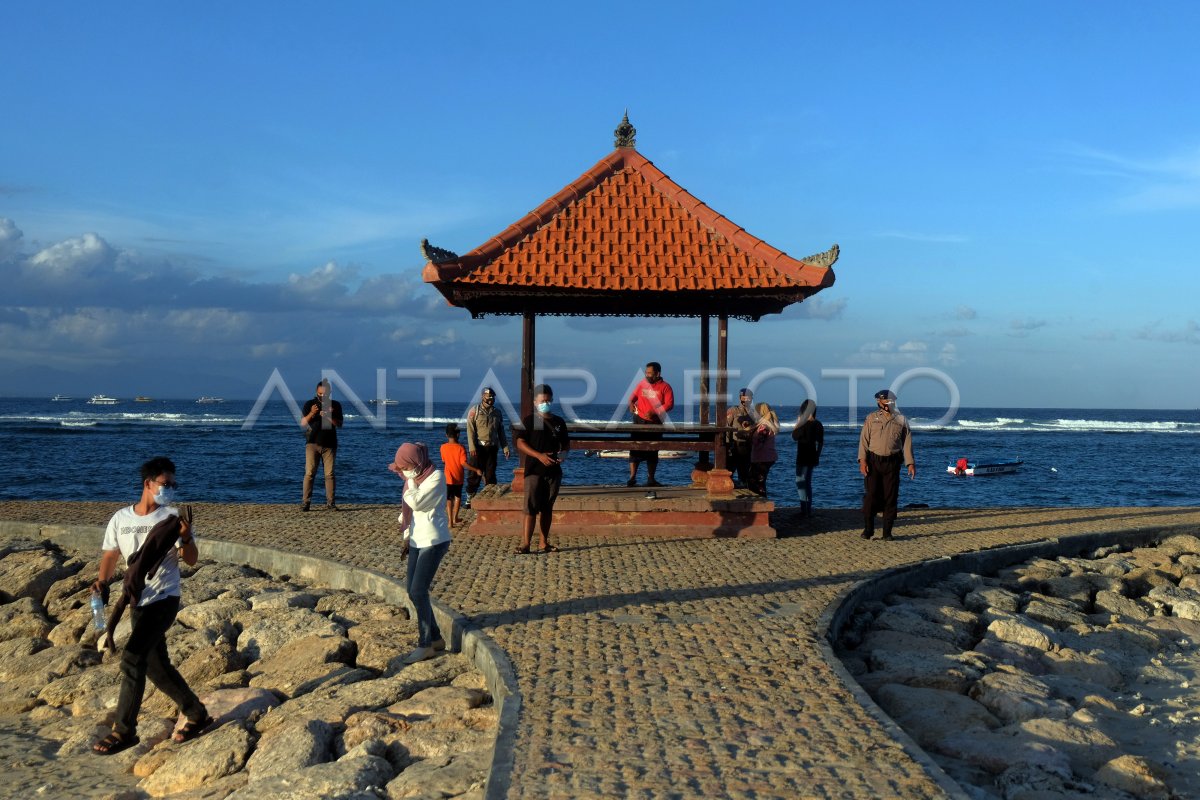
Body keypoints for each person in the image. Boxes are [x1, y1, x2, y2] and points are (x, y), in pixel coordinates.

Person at [91, 457, 212, 755]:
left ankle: (124, 731)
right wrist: (102, 582)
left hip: (164, 598)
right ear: (148, 484)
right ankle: (196, 713)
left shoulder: (171, 518)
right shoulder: (121, 519)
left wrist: (185, 537)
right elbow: (110, 555)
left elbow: (191, 559)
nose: (170, 489)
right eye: (165, 484)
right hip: (137, 601)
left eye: (173, 484)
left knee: (132, 659)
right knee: (157, 667)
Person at [388, 442, 451, 664]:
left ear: (416, 464)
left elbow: (415, 502)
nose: (403, 472)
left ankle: (425, 645)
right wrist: (406, 537)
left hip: (433, 540)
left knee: (418, 590)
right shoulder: (413, 479)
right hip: (416, 539)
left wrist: (411, 480)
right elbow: (406, 513)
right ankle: (435, 638)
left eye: (406, 467)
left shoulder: (435, 477)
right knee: (412, 590)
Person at [515, 384, 570, 554]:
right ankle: (525, 544)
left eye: (548, 400)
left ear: (552, 400)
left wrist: (564, 455)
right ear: (535, 402)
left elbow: (566, 443)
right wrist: (539, 456)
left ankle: (543, 543)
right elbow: (520, 442)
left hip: (554, 471)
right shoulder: (529, 421)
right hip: (534, 471)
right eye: (542, 400)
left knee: (547, 508)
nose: (545, 402)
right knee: (530, 508)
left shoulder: (559, 422)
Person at [858, 389, 916, 541]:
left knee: (890, 497)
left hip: (892, 463)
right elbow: (864, 441)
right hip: (873, 462)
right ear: (879, 402)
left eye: (891, 400)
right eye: (885, 401)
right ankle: (868, 529)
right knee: (871, 496)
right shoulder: (871, 418)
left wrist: (910, 463)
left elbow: (907, 442)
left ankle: (887, 532)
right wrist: (862, 461)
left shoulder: (901, 419)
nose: (889, 403)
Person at [627, 361, 674, 487]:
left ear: (657, 373)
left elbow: (669, 404)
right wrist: (631, 404)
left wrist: (655, 412)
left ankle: (651, 479)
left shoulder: (665, 387)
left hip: (655, 422)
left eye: (650, 373)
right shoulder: (642, 384)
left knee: (653, 450)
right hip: (639, 420)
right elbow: (632, 397)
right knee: (635, 449)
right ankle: (632, 478)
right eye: (646, 373)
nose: (647, 375)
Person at [300, 379, 344, 511]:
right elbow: (303, 423)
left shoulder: (335, 405)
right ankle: (306, 503)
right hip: (312, 443)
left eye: (324, 394)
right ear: (316, 392)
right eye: (319, 394)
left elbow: (339, 424)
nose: (322, 397)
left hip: (330, 444)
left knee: (329, 474)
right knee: (309, 473)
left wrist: (329, 415)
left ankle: (330, 503)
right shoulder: (310, 404)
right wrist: (312, 413)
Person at [465, 387, 511, 505]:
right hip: (478, 447)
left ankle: (489, 498)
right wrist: (472, 447)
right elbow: (470, 430)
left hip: (492, 447)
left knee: (490, 474)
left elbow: (501, 431)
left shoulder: (497, 412)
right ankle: (470, 498)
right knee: (474, 474)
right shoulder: (474, 411)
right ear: (482, 397)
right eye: (488, 396)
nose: (491, 398)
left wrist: (505, 447)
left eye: (492, 396)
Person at [440, 422, 482, 527]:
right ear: (458, 434)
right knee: (458, 496)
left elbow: (444, 461)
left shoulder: (443, 447)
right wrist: (476, 469)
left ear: (446, 435)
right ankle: (455, 518)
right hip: (458, 476)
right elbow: (463, 463)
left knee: (449, 498)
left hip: (447, 477)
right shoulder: (461, 448)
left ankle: (450, 521)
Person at [791, 399, 825, 518]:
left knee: (800, 482)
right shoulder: (818, 424)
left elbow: (794, 436)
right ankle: (808, 509)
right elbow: (820, 443)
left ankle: (803, 509)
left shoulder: (803, 424)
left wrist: (798, 421)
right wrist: (817, 456)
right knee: (807, 483)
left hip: (802, 456)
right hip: (812, 456)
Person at [724, 388, 757, 488]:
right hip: (734, 445)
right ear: (740, 398)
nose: (747, 399)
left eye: (749, 397)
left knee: (745, 473)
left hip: (747, 447)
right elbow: (726, 428)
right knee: (729, 471)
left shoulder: (753, 413)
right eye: (744, 397)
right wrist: (727, 445)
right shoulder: (733, 411)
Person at [749, 402, 779, 496]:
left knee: (757, 483)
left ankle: (761, 504)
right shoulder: (769, 425)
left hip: (762, 458)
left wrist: (749, 438)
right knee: (760, 482)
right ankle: (762, 503)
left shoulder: (763, 427)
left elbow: (759, 444)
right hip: (767, 457)